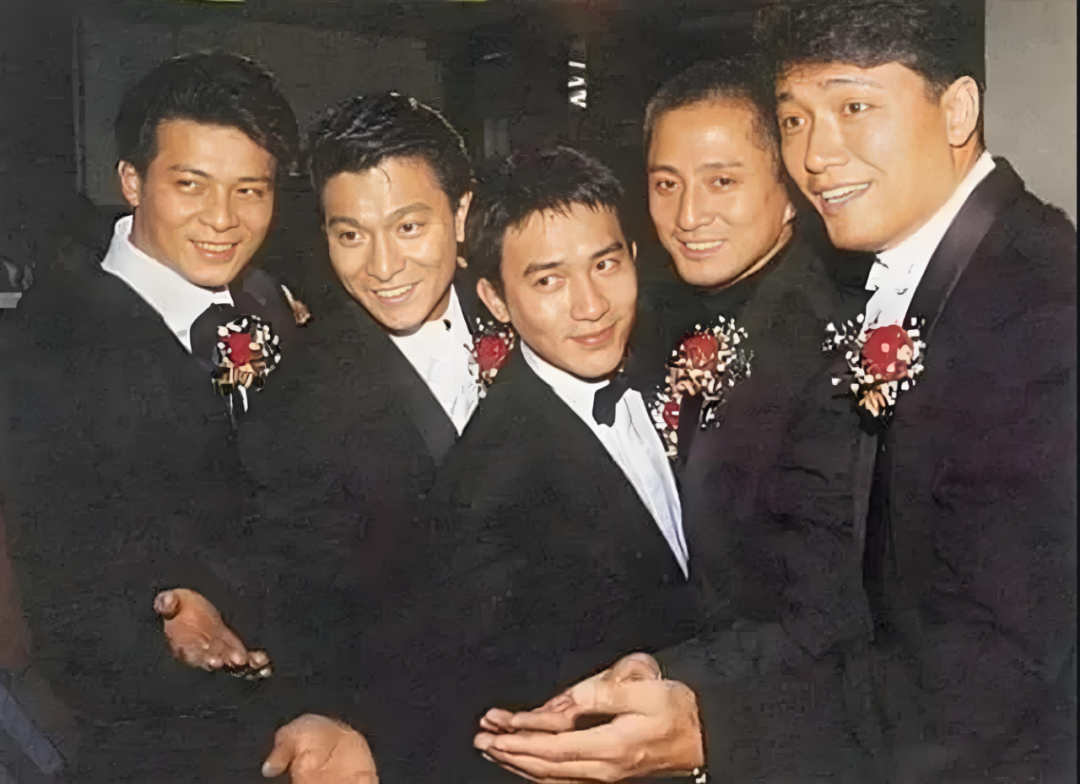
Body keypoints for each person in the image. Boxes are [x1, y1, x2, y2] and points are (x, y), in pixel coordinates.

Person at [473, 3, 1077, 782]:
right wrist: (672, 676)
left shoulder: (1035, 306)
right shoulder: (944, 275)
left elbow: (994, 669)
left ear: (958, 109)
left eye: (854, 107)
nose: (817, 155)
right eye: (795, 120)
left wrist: (711, 728)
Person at [0, 52, 332, 783]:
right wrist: (158, 611)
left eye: (250, 190)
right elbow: (56, 563)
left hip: (305, 708)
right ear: (131, 181)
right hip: (154, 737)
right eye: (191, 185)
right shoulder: (49, 340)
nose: (223, 219)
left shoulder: (269, 303)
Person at [364, 146, 702, 783]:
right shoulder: (485, 492)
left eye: (606, 263)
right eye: (548, 281)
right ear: (495, 299)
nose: (591, 305)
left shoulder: (672, 366)